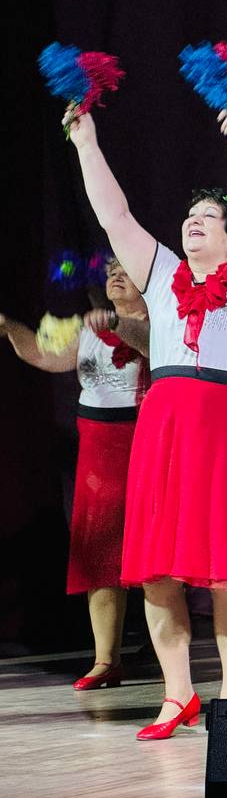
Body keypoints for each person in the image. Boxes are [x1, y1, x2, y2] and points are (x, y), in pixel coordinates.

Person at [66, 97, 227, 741]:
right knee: (156, 569)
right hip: (167, 425)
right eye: (189, 216)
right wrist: (86, 143)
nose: (194, 222)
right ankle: (177, 695)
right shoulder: (164, 272)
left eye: (208, 217)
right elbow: (114, 215)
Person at [1, 259, 149, 689]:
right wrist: (10, 328)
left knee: (152, 556)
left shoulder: (164, 324)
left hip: (143, 444)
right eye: (111, 270)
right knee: (99, 551)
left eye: (126, 269)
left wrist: (116, 322)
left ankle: (171, 655)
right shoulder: (88, 329)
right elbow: (43, 355)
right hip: (98, 453)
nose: (116, 275)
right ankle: (106, 660)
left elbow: (149, 345)